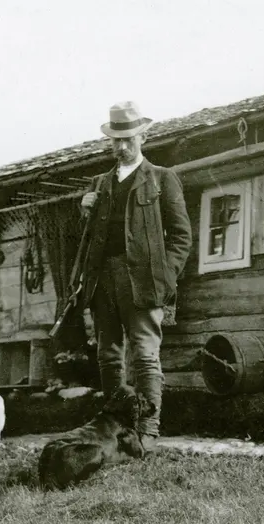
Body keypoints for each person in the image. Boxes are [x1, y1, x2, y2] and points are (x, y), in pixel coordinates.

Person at [76, 101, 192, 452]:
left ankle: (148, 431)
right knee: (108, 356)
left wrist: (165, 274)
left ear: (144, 136)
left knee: (144, 354)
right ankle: (115, 427)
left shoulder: (161, 179)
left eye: (128, 139)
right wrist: (85, 211)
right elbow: (91, 239)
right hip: (103, 280)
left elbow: (182, 236)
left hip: (143, 280)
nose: (122, 147)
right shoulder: (99, 184)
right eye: (116, 140)